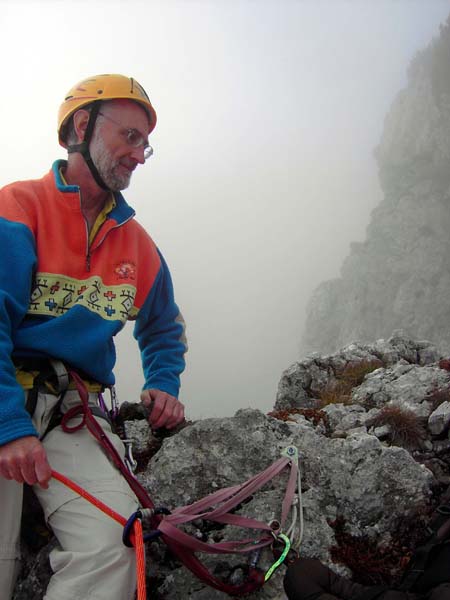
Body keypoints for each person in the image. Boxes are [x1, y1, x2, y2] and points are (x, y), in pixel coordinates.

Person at [0, 73, 187, 600]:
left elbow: (163, 326)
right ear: (82, 125)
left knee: (119, 544)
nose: (140, 155)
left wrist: (165, 381)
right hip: (5, 393)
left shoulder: (137, 245)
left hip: (72, 410)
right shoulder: (17, 208)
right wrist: (10, 424)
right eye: (130, 137)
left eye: (146, 143)